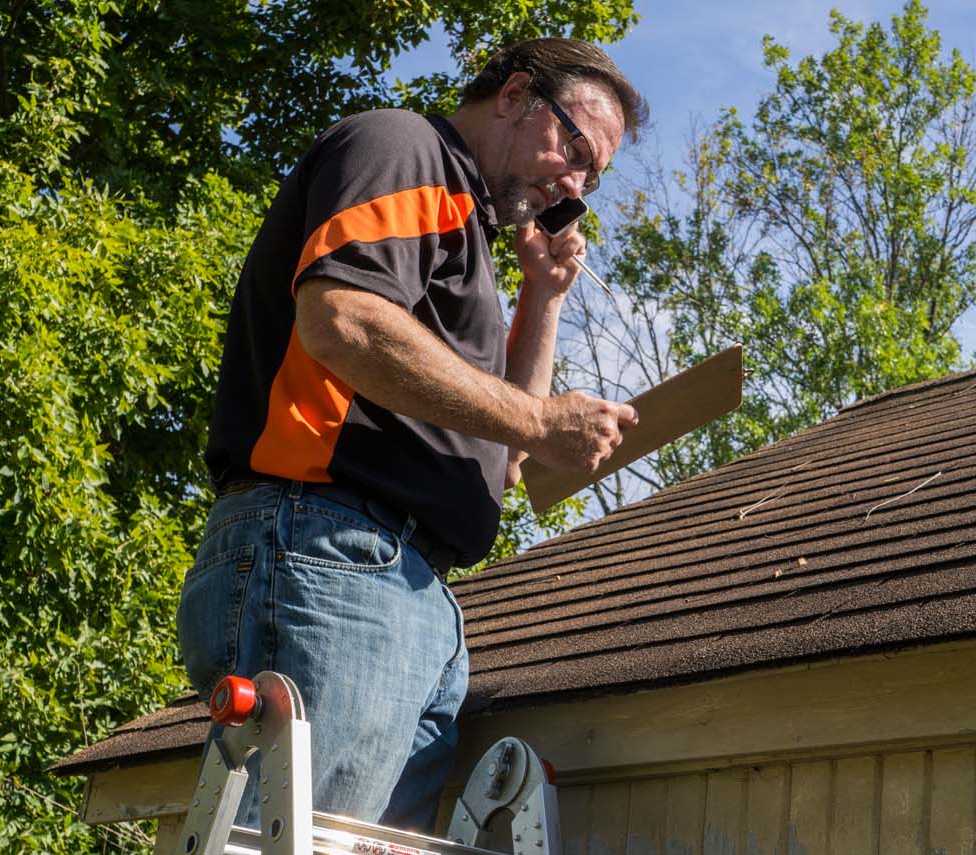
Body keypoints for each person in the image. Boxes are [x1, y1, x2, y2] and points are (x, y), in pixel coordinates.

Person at [175, 38, 648, 832]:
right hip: (331, 552)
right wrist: (538, 416)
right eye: (573, 149)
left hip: (407, 591)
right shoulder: (403, 147)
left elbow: (505, 466)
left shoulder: (470, 235)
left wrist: (543, 298)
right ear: (516, 94)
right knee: (305, 843)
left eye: (591, 178)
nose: (574, 184)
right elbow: (342, 321)